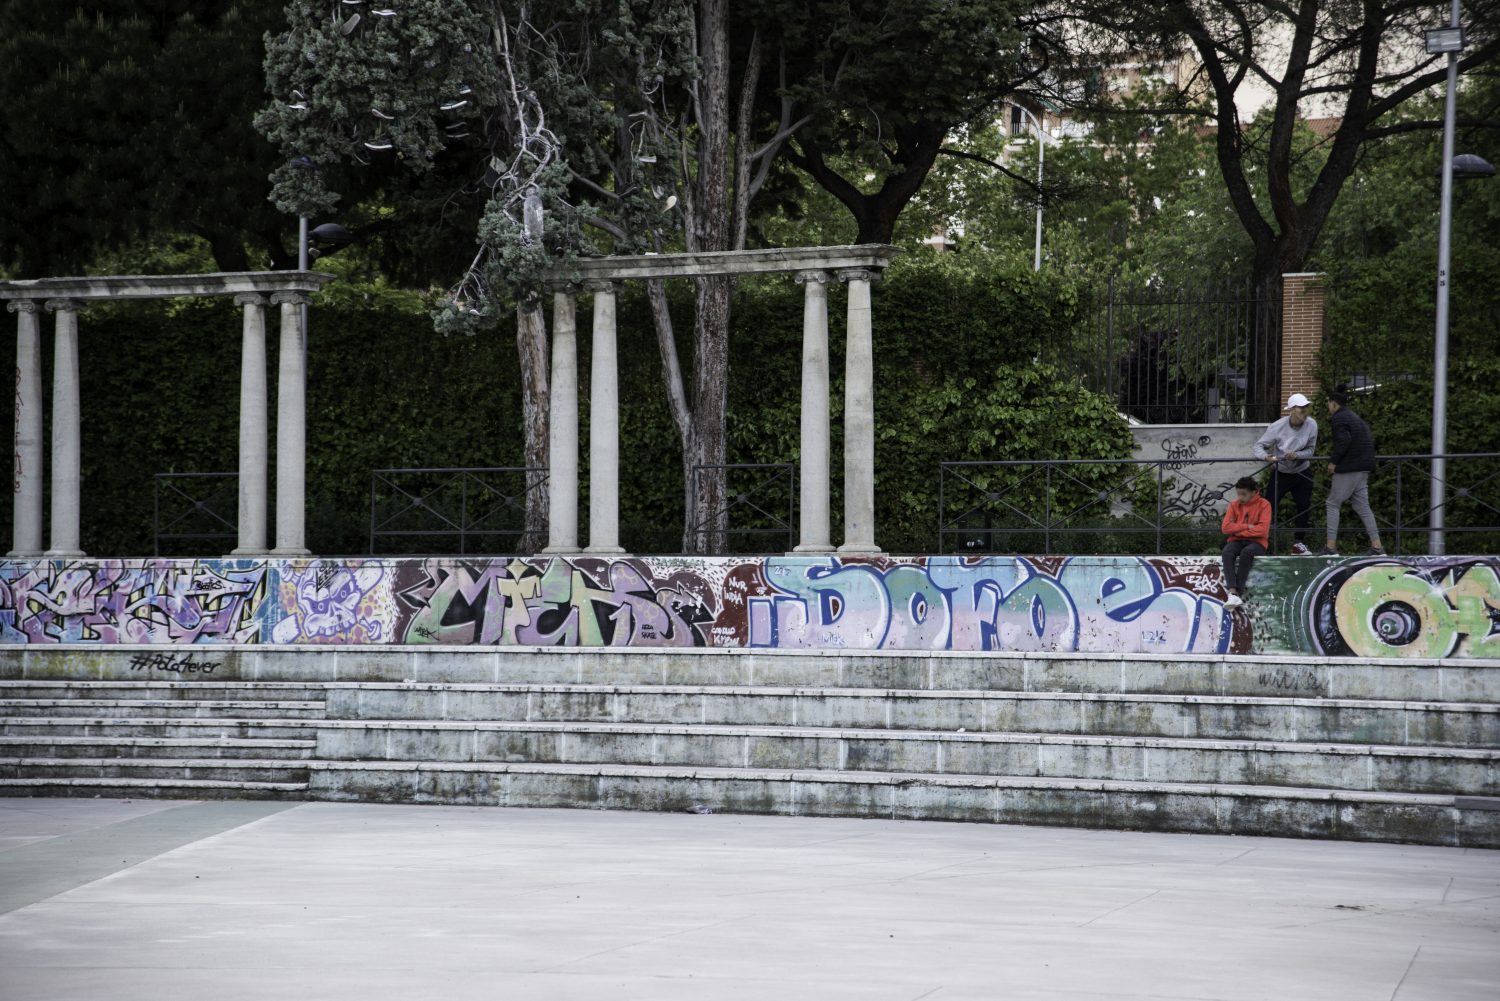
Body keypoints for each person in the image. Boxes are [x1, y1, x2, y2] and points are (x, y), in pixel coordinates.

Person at [1321, 385, 1386, 556]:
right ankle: (1377, 546)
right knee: (1363, 506)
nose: (1328, 407)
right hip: (1364, 467)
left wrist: (1334, 462)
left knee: (1333, 503)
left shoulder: (1339, 418)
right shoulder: (1354, 417)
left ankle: (1330, 547)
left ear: (1334, 403)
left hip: (1349, 467)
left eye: (1328, 403)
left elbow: (1343, 441)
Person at [1253, 392, 1319, 555]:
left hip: (1302, 470)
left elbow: (1311, 450)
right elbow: (1258, 446)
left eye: (1306, 408)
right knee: (1269, 505)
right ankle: (1263, 543)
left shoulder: (1312, 425)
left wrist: (1298, 455)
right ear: (1292, 410)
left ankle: (1299, 543)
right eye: (1301, 408)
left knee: (1304, 507)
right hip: (1281, 472)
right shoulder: (1277, 426)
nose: (1305, 411)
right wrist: (1267, 457)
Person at [1220, 475, 1270, 608]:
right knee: (1227, 552)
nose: (1240, 497)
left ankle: (1238, 593)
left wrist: (1237, 529)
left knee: (1247, 552)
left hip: (1257, 542)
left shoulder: (1264, 505)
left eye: (1244, 494)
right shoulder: (1234, 505)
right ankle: (1232, 592)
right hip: (1237, 540)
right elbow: (1225, 528)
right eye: (1238, 494)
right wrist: (1247, 527)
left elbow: (1262, 530)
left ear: (1254, 492)